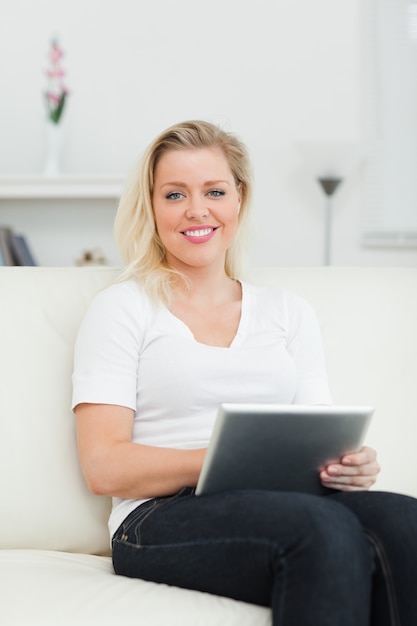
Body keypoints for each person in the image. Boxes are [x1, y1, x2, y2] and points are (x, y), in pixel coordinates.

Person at [72, 120, 417, 626]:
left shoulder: (287, 312)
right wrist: (219, 459)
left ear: (240, 199)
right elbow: (104, 466)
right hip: (158, 517)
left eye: (214, 191)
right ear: (151, 205)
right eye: (174, 194)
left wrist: (349, 464)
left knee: (404, 520)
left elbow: (318, 430)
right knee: (320, 529)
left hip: (284, 501)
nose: (197, 210)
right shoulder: (122, 308)